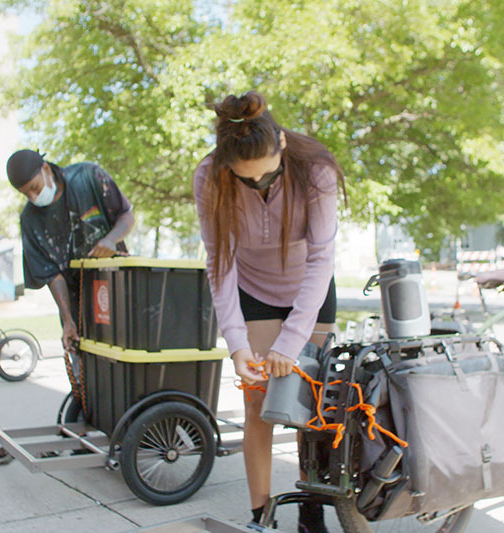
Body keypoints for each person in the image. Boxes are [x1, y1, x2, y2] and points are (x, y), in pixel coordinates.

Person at [193, 91, 344, 532]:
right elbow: (219, 262)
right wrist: (237, 344)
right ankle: (261, 515)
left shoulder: (316, 170)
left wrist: (292, 342)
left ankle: (311, 510)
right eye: (247, 182)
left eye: (267, 177)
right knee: (258, 404)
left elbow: (321, 259)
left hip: (310, 291)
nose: (259, 187)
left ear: (281, 143)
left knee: (307, 408)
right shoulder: (208, 177)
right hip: (253, 288)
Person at [6, 149, 135, 353]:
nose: (32, 196)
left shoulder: (88, 177)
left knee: (125, 361)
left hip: (119, 292)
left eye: (34, 187)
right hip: (79, 307)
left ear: (46, 169)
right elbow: (51, 274)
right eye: (25, 193)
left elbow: (126, 214)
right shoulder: (30, 220)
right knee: (85, 370)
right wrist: (68, 321)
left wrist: (111, 240)